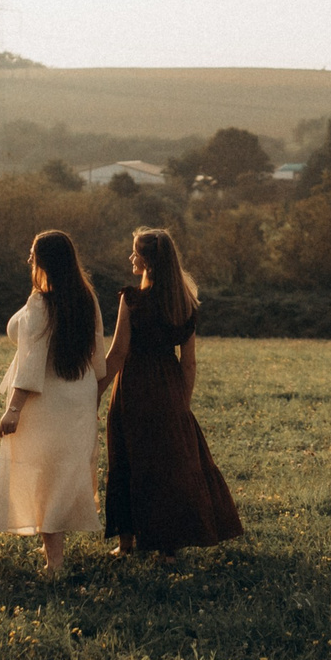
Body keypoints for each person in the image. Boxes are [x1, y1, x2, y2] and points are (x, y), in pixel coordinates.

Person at [103, 226, 242, 557]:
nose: (130, 257)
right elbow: (189, 362)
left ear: (147, 261)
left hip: (133, 385)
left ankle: (126, 544)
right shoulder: (185, 303)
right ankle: (168, 546)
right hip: (169, 388)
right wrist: (181, 402)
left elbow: (118, 352)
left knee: (126, 458)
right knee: (168, 466)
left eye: (135, 252)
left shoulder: (132, 300)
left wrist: (95, 390)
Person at [0, 229, 107, 572]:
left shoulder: (41, 302)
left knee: (45, 472)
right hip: (79, 392)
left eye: (32, 254)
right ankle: (54, 552)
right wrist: (93, 393)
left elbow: (31, 362)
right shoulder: (87, 297)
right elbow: (97, 355)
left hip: (46, 399)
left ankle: (55, 562)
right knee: (64, 471)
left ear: (44, 261)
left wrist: (14, 409)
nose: (28, 260)